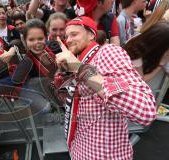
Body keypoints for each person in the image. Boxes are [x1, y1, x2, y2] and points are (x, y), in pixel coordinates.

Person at [53, 16, 156, 159]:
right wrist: (63, 76)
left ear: (91, 34)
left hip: (105, 153)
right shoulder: (77, 61)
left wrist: (80, 69)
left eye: (74, 34)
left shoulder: (107, 52)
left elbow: (145, 110)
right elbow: (74, 104)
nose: (68, 40)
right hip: (78, 147)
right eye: (66, 36)